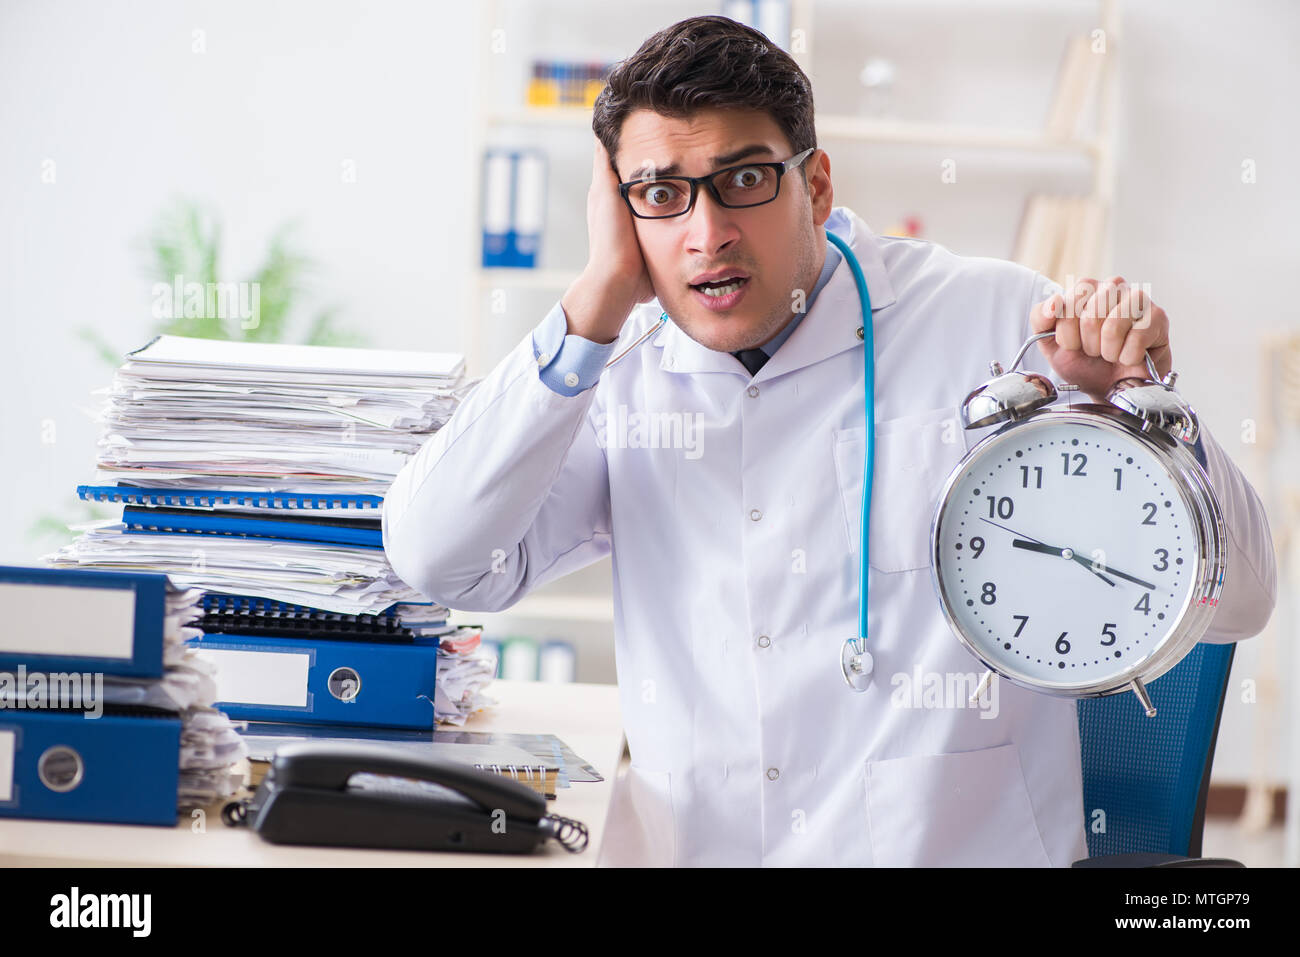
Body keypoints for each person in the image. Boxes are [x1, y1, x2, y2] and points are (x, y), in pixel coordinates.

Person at [383, 15, 1276, 866]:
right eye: (661, 195)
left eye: (743, 180)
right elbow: (439, 559)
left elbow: (1241, 598)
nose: (707, 233)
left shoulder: (1002, 321)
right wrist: (594, 298)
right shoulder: (616, 374)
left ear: (814, 185)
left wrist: (1136, 403)